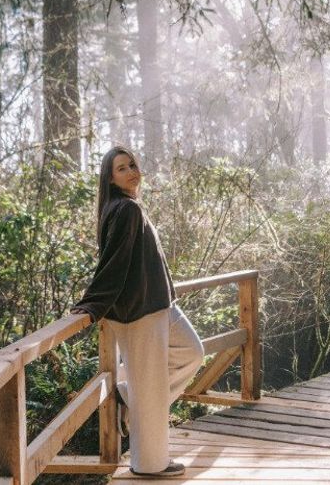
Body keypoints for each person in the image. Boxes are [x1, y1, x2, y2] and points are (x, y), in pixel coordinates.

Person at [70, 146, 204, 478]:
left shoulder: (127, 207)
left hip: (158, 306)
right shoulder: (125, 210)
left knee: (192, 353)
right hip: (139, 312)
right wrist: (92, 304)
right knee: (151, 387)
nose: (131, 171)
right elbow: (113, 264)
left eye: (132, 165)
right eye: (121, 168)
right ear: (110, 179)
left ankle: (127, 395)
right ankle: (149, 464)